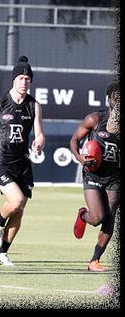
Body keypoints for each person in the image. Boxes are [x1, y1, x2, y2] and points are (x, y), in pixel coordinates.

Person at [0, 56, 45, 266]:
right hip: (1, 160)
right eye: (21, 78)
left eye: (27, 78)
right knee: (17, 200)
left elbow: (40, 134)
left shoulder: (34, 106)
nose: (24, 82)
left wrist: (38, 143)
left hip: (22, 163)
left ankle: (2, 253)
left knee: (20, 210)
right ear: (14, 79)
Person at [69, 82, 119, 272]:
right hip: (93, 174)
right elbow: (74, 139)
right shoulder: (95, 119)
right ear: (110, 100)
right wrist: (81, 158)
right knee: (97, 217)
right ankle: (83, 215)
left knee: (110, 218)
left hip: (115, 178)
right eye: (116, 97)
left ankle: (94, 261)